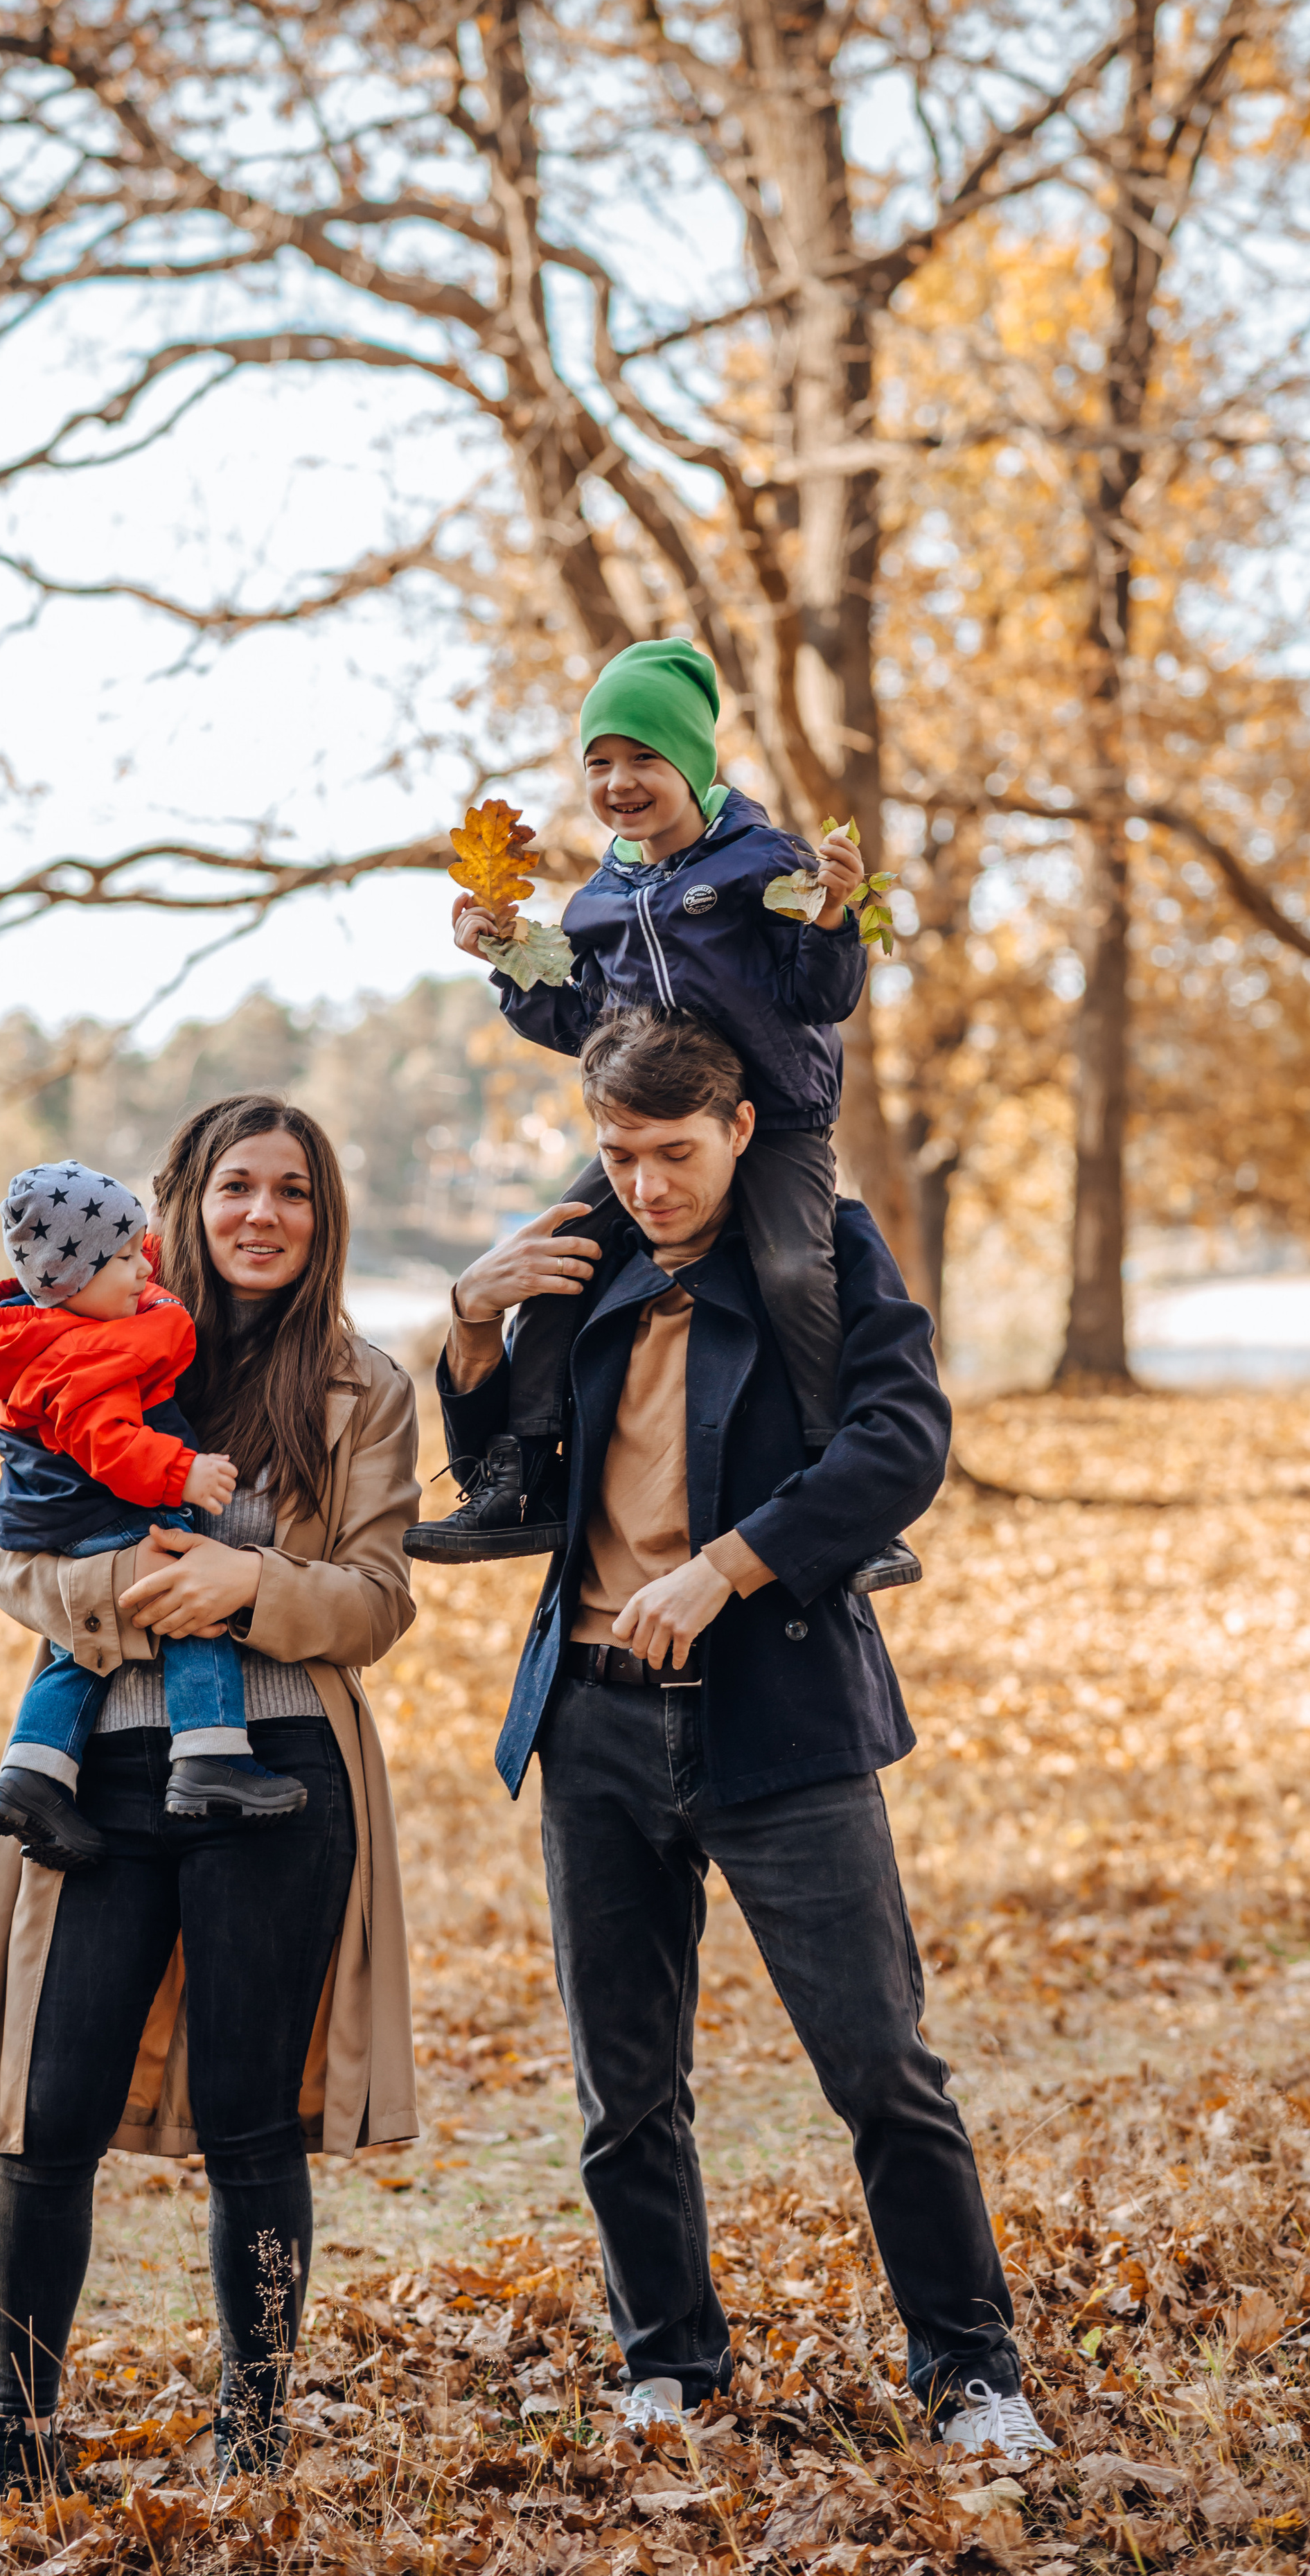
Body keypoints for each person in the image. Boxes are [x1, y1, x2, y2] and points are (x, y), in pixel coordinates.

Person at [435, 1005, 1052, 2461]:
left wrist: (730, 1561)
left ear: (736, 1130)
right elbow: (500, 1476)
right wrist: (469, 1323)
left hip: (780, 1720)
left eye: (671, 1151)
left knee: (881, 2071)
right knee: (622, 2086)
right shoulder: (577, 1276)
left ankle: (971, 2379)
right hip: (589, 1724)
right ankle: (671, 2369)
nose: (646, 1183)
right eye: (617, 1155)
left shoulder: (823, 1257)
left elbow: (901, 1443)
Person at [0, 1094, 421, 2503]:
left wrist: (254, 1588)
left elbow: (376, 1603)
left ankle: (254, 2429)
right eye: (236, 1186)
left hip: (282, 1772)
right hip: (101, 1774)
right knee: (50, 2107)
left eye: (294, 1191)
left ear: (324, 1215)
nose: (264, 1214)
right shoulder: (81, 1346)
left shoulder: (363, 1385)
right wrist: (128, 1591)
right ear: (177, 1200)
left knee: (252, 2116)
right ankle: (15, 2430)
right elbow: (5, 1557)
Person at [406, 637, 918, 1597]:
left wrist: (833, 916)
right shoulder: (600, 900)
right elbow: (579, 1020)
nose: (619, 781)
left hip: (778, 1119)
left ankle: (839, 1486)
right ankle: (519, 1477)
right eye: (598, 762)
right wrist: (510, 957)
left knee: (792, 1264)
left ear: (691, 763)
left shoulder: (766, 860)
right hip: (652, 1129)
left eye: (643, 757)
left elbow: (824, 994)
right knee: (560, 1257)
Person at [0, 1158, 306, 1871]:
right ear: (72, 1279)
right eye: (125, 1260)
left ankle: (34, 1772)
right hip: (97, 1513)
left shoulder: (54, 1326)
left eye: (141, 1250)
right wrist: (186, 1471)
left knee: (80, 1650)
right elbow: (106, 1442)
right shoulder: (91, 1357)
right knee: (190, 1604)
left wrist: (143, 1241)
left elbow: (124, 1253)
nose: (144, 1271)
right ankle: (211, 1753)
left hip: (53, 1520)